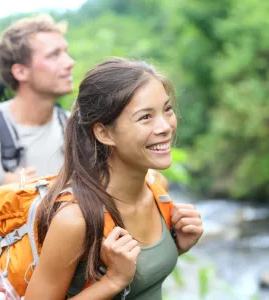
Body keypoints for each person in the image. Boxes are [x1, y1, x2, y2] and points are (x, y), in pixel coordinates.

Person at [25, 58, 203, 300]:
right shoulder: (75, 221)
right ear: (104, 133)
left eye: (167, 109)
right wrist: (113, 280)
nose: (165, 126)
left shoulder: (157, 187)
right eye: (145, 117)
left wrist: (176, 246)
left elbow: (143, 279)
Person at [0, 14, 75, 300]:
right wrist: (10, 195)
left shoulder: (74, 130)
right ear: (20, 72)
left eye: (65, 51)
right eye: (54, 55)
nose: (69, 62)